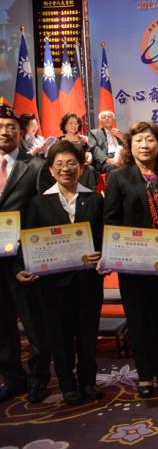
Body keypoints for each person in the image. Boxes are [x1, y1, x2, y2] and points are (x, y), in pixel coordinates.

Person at [15, 141, 104, 405]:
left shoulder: (94, 199)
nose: (66, 169)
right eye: (60, 165)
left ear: (81, 167)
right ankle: (68, 386)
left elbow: (103, 236)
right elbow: (28, 240)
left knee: (88, 336)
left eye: (72, 163)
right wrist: (23, 267)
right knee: (60, 337)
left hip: (88, 282)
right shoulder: (38, 203)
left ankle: (88, 382)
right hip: (52, 285)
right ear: (51, 170)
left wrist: (102, 254)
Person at [104, 121, 158, 398]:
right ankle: (145, 374)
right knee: (137, 317)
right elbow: (111, 219)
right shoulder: (118, 177)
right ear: (130, 146)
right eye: (138, 141)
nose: (145, 146)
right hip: (132, 261)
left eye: (150, 140)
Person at [0, 98, 50, 404]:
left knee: (34, 322)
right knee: (2, 323)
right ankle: (13, 378)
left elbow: (46, 212)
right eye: (0, 127)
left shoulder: (36, 167)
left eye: (10, 127)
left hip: (23, 258)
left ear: (21, 132)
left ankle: (38, 377)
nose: (5, 132)